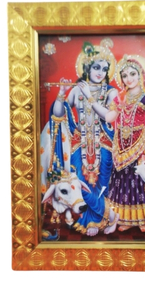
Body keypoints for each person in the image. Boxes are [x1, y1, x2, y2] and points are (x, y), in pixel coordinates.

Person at [45, 39, 119, 236]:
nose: (100, 72)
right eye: (96, 67)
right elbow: (58, 114)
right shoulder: (77, 90)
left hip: (103, 144)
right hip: (79, 144)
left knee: (102, 185)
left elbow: (110, 116)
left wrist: (90, 96)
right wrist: (61, 94)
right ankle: (111, 215)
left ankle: (98, 220)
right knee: (79, 183)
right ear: (87, 67)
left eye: (104, 69)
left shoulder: (111, 92)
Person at [105, 54, 145, 232]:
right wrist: (107, 105)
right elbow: (109, 118)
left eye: (132, 74)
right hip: (121, 145)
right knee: (122, 181)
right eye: (124, 75)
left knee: (138, 180)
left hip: (140, 144)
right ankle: (126, 219)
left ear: (140, 75)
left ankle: (143, 219)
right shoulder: (120, 98)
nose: (129, 79)